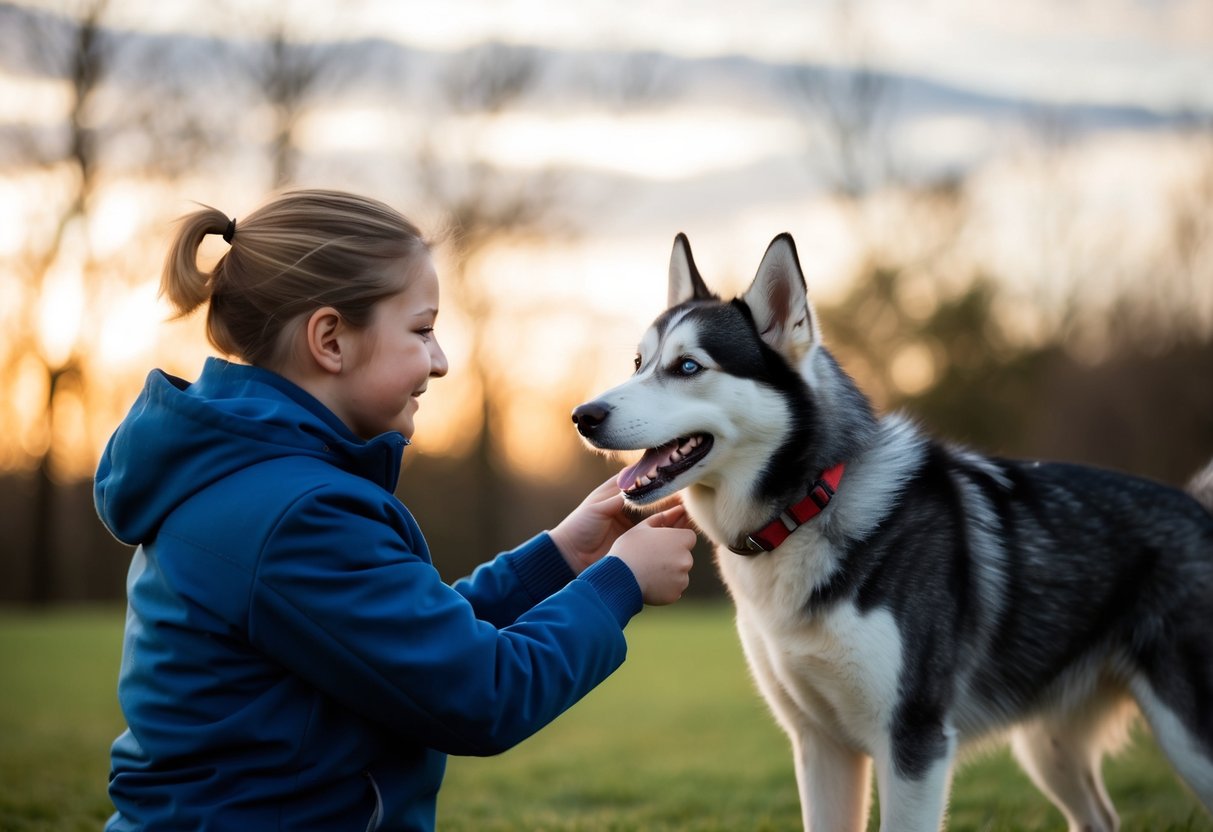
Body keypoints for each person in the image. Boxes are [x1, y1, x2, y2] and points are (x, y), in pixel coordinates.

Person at [94, 188, 697, 831]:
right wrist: (620, 582)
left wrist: (563, 556)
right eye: (422, 329)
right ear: (331, 340)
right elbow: (481, 693)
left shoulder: (257, 484)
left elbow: (407, 643)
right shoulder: (300, 516)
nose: (441, 362)